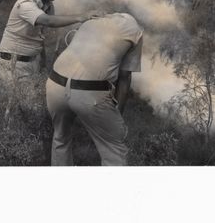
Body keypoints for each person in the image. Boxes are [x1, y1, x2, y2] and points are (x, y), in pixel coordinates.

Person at [0, 0, 100, 125]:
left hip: (31, 61)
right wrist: (81, 17)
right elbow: (48, 21)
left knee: (24, 103)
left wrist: (43, 60)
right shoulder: (25, 3)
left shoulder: (48, 5)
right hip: (13, 61)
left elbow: (40, 35)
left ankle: (14, 130)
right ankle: (11, 133)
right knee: (29, 104)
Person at [46, 12, 143, 166]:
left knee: (60, 138)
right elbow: (124, 78)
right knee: (114, 147)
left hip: (55, 83)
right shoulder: (135, 31)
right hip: (89, 91)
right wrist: (117, 114)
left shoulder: (90, 22)